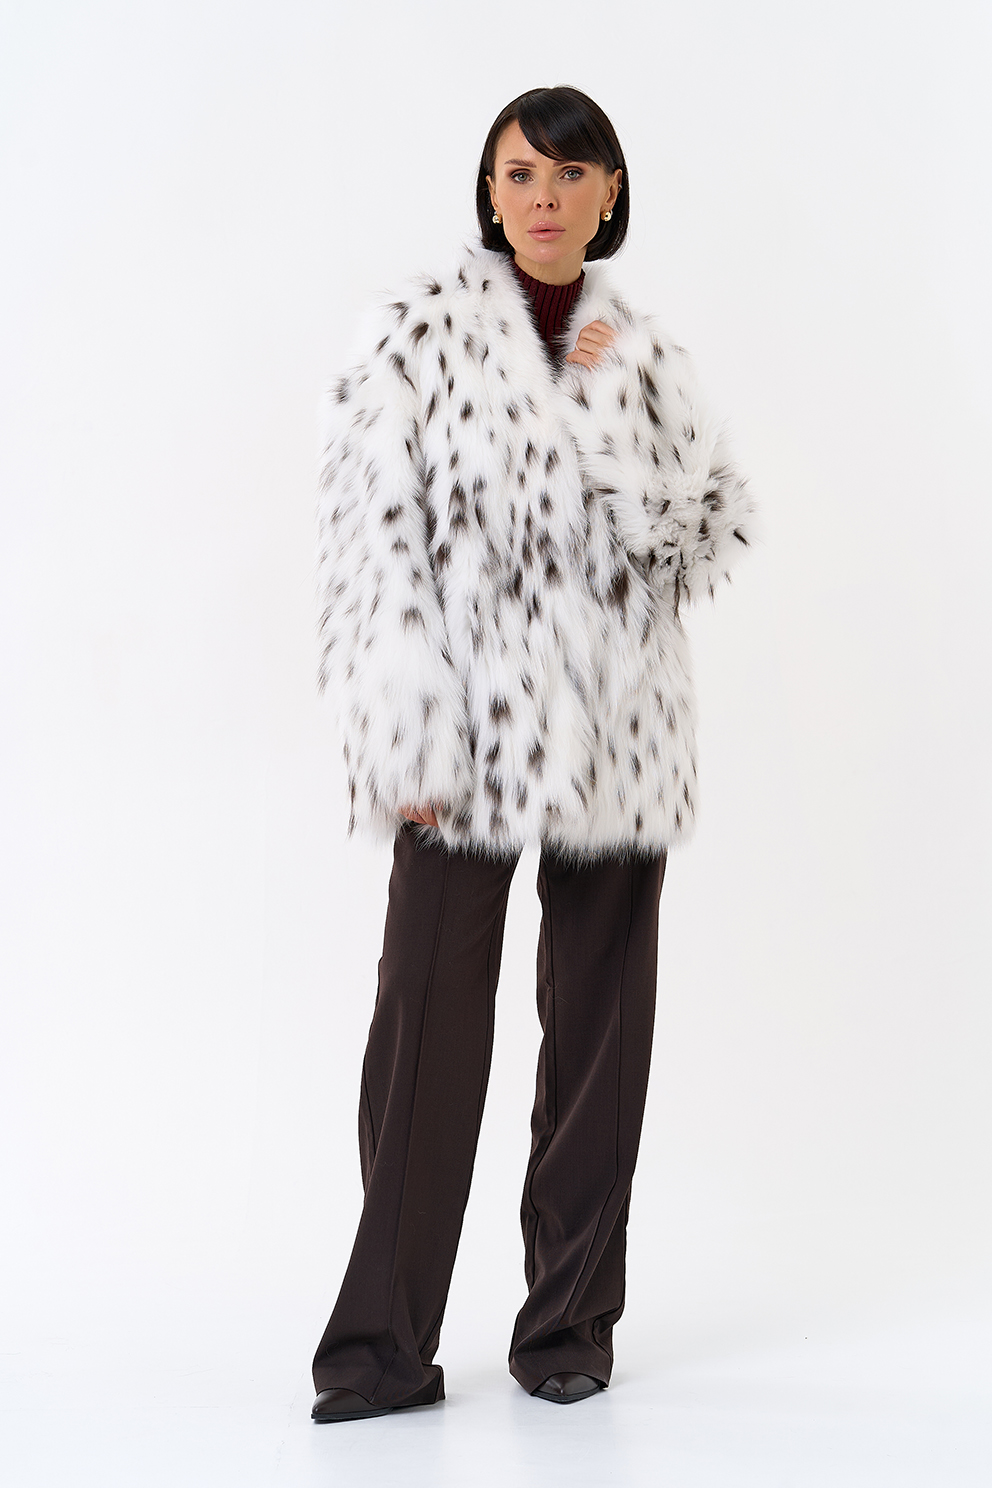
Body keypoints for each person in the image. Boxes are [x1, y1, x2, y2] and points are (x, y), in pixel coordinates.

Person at [310, 85, 757, 1423]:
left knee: (600, 1042)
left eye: (571, 175)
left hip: (619, 735)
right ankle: (380, 1347)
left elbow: (702, 538)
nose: (545, 198)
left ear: (610, 193)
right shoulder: (415, 336)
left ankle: (568, 1324)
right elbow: (370, 544)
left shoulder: (644, 352)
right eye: (520, 174)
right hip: (466, 740)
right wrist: (406, 730)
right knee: (424, 1026)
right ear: (491, 192)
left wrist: (613, 405)